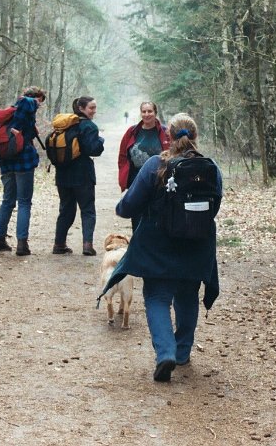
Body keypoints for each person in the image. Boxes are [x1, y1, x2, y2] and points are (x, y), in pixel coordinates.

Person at [100, 113, 222, 382]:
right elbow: (215, 205)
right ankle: (181, 353)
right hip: (197, 246)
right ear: (195, 137)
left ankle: (165, 353)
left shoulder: (156, 164)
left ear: (168, 136)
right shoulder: (210, 168)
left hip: (158, 247)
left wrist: (122, 207)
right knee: (187, 296)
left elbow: (129, 205)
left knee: (157, 298)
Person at [0, 86, 46, 256]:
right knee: (24, 202)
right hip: (24, 163)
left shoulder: (5, 115)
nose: (39, 106)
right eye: (40, 102)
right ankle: (22, 244)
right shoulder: (27, 114)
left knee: (7, 201)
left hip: (5, 163)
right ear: (37, 99)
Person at [52, 96, 105, 256]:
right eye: (91, 108)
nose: (94, 111)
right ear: (81, 108)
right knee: (88, 210)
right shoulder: (89, 126)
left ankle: (59, 244)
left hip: (62, 174)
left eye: (95, 107)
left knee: (66, 209)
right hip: (83, 175)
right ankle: (87, 245)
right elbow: (93, 150)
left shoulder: (65, 126)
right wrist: (100, 140)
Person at [117, 101, 171, 230]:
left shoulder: (165, 132)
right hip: (136, 179)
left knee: (157, 212)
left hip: (159, 179)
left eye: (150, 111)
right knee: (137, 213)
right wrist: (123, 176)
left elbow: (172, 154)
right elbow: (123, 155)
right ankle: (137, 242)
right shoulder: (132, 131)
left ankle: (155, 243)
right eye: (144, 111)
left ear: (155, 113)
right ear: (141, 113)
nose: (147, 114)